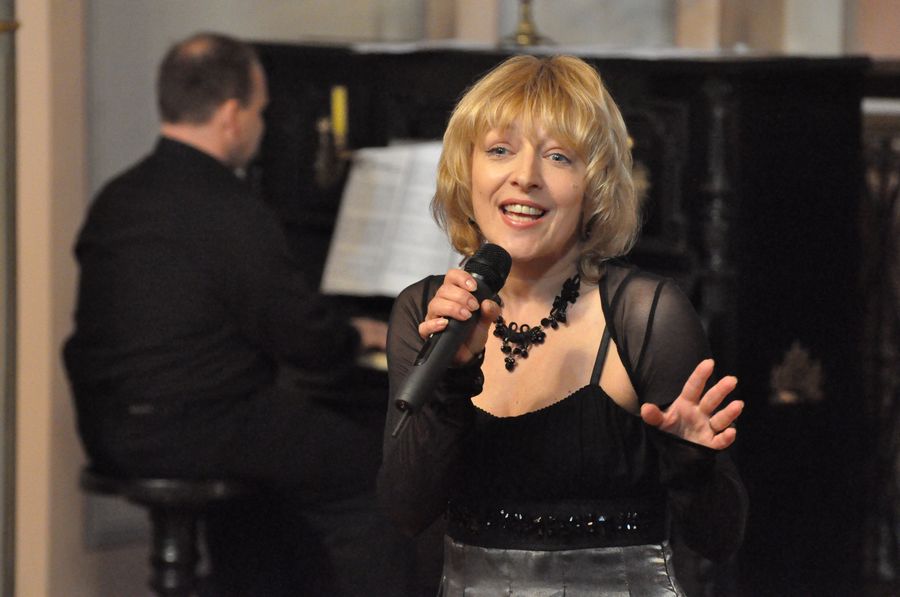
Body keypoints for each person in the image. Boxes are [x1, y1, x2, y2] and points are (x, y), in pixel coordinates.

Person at [377, 54, 748, 596]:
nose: (525, 176)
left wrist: (692, 466)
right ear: (467, 170)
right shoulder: (426, 310)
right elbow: (405, 511)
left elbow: (720, 539)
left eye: (558, 157)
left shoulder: (646, 313)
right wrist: (451, 379)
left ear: (593, 187)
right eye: (499, 150)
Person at [64, 32, 413, 596]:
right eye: (260, 112)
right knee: (372, 469)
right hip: (197, 427)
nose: (261, 126)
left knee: (274, 464)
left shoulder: (118, 197)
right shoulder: (230, 208)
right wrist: (358, 335)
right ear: (231, 116)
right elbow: (306, 341)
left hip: (109, 427)